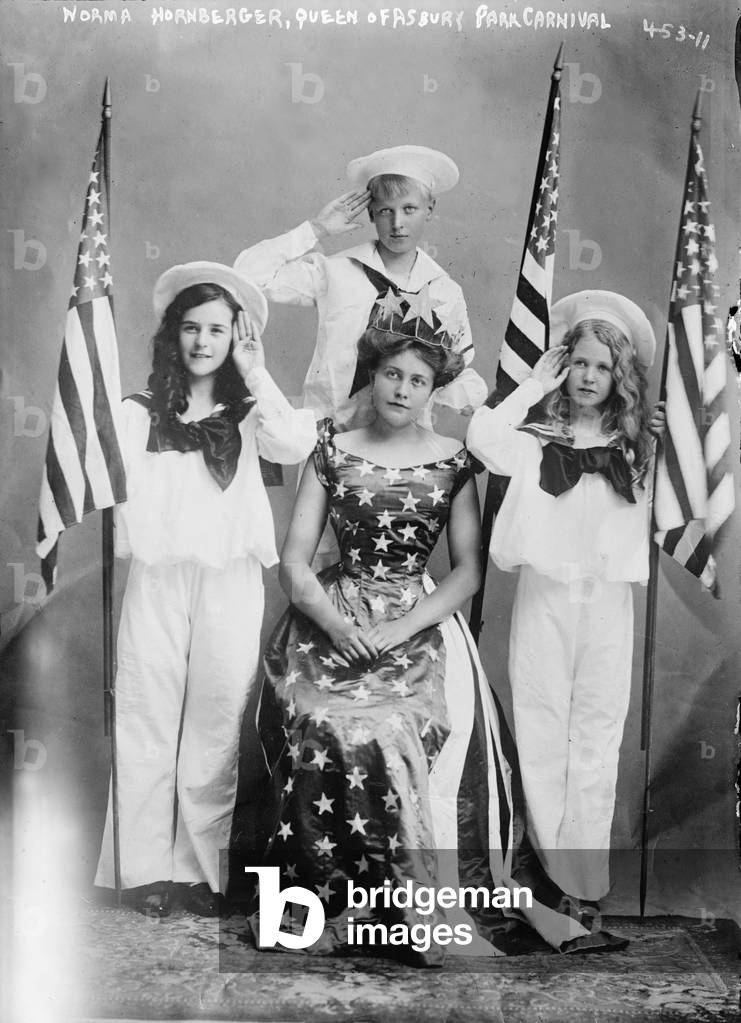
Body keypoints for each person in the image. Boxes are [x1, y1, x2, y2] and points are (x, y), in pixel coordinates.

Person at [248, 288, 625, 965]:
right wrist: (338, 625)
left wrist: (401, 627)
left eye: (417, 379)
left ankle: (413, 896)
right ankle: (330, 894)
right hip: (330, 618)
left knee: (408, 721)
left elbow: (466, 572)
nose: (401, 388)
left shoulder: (453, 460)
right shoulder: (332, 449)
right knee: (324, 717)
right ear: (373, 372)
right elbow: (296, 564)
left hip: (419, 615)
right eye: (391, 372)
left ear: (433, 387)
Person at [94, 262, 317, 917]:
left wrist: (256, 370)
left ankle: (197, 871)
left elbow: (297, 439)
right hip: (159, 577)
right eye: (190, 327)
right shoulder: (140, 411)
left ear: (233, 337)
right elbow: (109, 486)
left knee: (216, 722)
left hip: (230, 578)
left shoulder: (250, 412)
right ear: (173, 334)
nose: (202, 341)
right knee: (147, 716)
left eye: (217, 329)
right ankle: (140, 871)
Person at [467, 290, 665, 914]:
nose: (588, 377)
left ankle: (585, 881)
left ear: (621, 377)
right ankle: (552, 877)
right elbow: (480, 437)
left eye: (603, 368)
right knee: (543, 724)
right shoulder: (532, 438)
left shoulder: (638, 451)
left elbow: (683, 502)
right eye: (578, 362)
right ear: (562, 364)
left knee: (599, 734)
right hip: (546, 596)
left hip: (606, 603)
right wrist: (531, 385)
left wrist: (666, 441)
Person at [234, 144, 486, 431]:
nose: (397, 223)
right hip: (331, 439)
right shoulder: (337, 271)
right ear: (370, 213)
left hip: (402, 447)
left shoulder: (445, 292)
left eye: (409, 209)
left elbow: (451, 369)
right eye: (385, 211)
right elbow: (247, 275)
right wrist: (315, 229)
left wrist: (469, 394)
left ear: (430, 209)